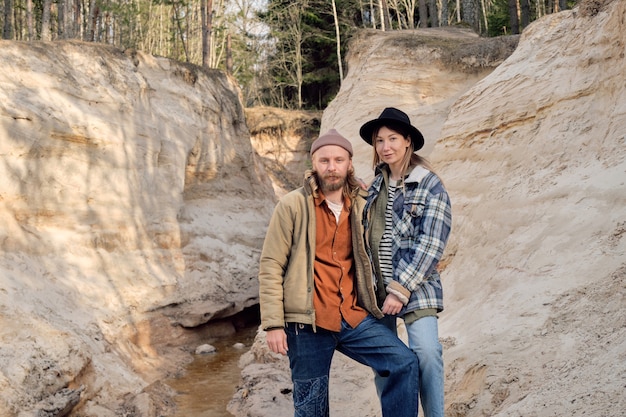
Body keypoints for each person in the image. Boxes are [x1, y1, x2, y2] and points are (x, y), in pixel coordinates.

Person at [258, 128, 419, 417]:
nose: (332, 167)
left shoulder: (362, 203)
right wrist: (273, 324)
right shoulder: (292, 205)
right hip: (308, 323)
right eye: (324, 161)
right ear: (314, 164)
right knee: (312, 409)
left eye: (338, 160)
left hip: (353, 316)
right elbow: (271, 265)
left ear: (349, 164)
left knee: (404, 362)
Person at [359, 108, 452, 417]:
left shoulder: (429, 184)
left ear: (408, 141)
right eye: (379, 140)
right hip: (377, 290)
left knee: (426, 352)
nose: (386, 147)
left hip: (416, 287)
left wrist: (401, 289)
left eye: (393, 139)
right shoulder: (376, 184)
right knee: (385, 363)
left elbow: (432, 243)